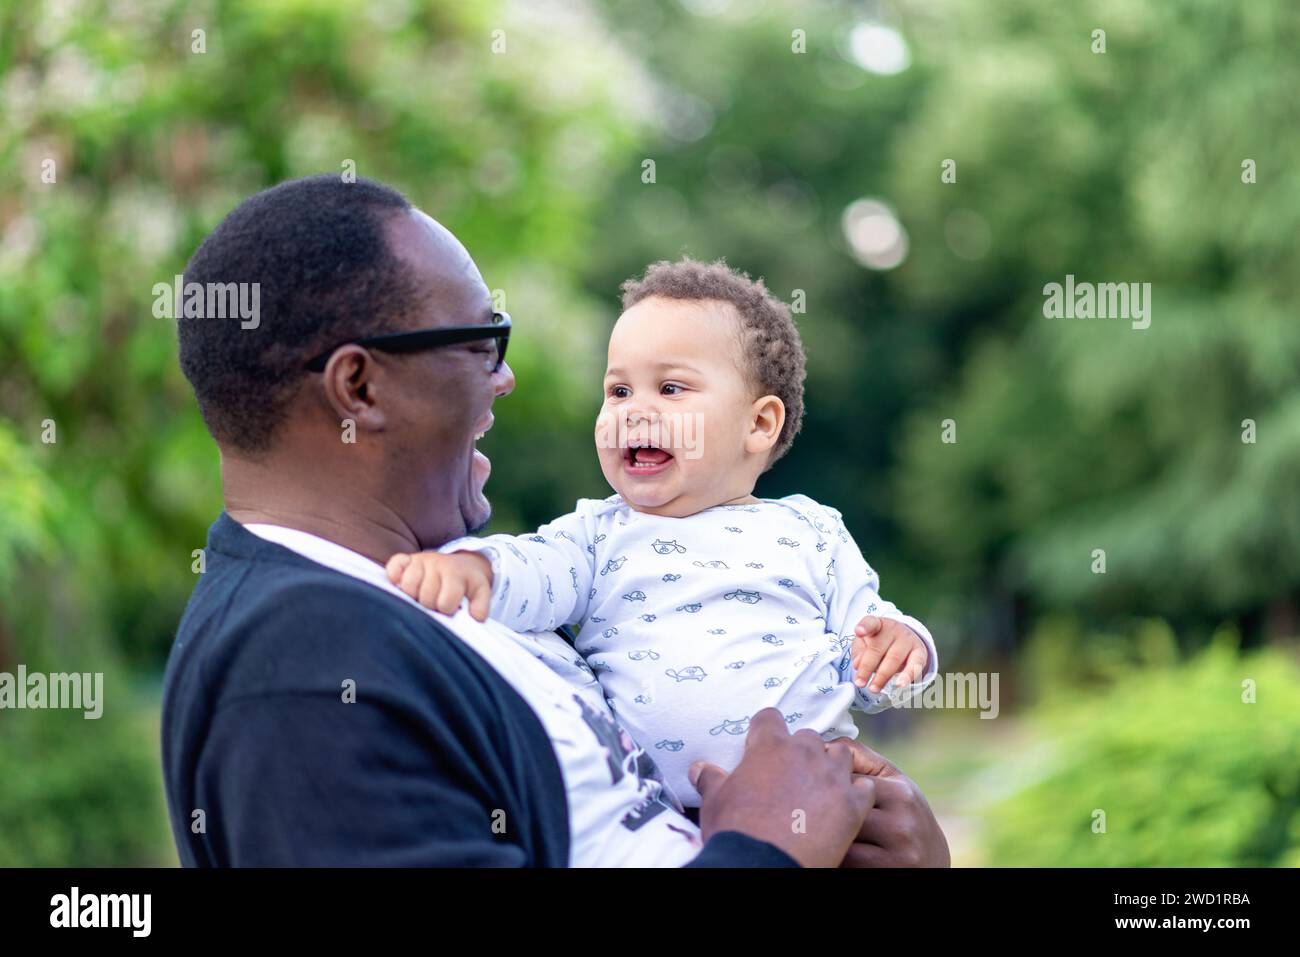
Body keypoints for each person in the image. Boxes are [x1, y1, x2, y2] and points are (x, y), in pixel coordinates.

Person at [161, 173, 949, 867]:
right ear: (360, 389)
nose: (504, 379)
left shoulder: (451, 596)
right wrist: (765, 850)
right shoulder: (298, 677)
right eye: (481, 343)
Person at [386, 258, 938, 807]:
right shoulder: (597, 537)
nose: (634, 411)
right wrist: (474, 568)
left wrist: (902, 644)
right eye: (619, 391)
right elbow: (534, 573)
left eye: (671, 388)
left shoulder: (811, 531)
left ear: (759, 423)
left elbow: (868, 657)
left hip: (812, 810)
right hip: (659, 819)